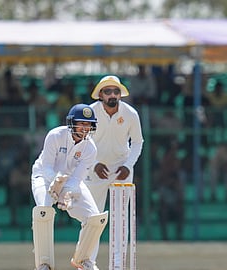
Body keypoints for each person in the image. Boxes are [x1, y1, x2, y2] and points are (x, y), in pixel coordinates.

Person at [31, 104, 107, 270]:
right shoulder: (55, 135)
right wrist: (56, 185)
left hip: (70, 181)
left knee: (94, 219)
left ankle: (84, 260)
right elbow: (47, 168)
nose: (85, 128)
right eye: (82, 123)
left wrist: (67, 193)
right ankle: (43, 264)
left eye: (88, 124)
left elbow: (77, 178)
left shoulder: (90, 148)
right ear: (72, 122)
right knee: (43, 212)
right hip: (43, 178)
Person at [85, 75, 144, 269]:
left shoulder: (130, 113)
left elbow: (137, 142)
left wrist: (128, 165)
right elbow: (83, 140)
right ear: (100, 94)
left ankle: (117, 265)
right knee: (92, 217)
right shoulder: (90, 112)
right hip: (95, 170)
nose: (113, 95)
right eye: (108, 91)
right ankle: (87, 262)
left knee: (121, 219)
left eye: (116, 91)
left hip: (121, 170)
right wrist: (94, 163)